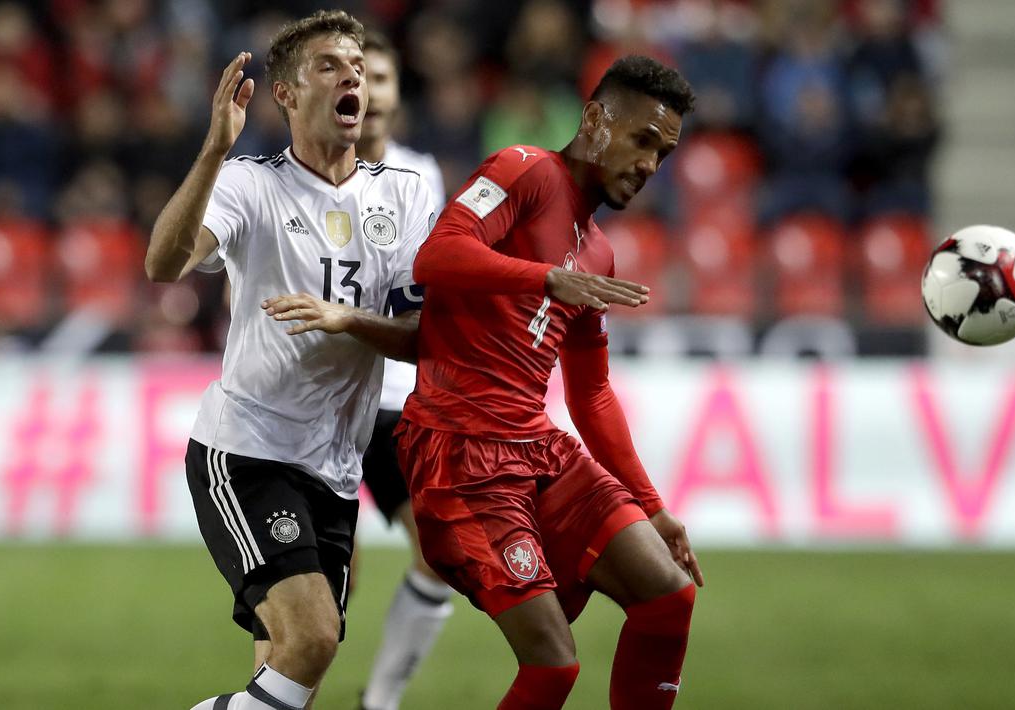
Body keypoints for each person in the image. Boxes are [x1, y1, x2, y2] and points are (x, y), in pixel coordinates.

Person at [143, 11, 434, 710]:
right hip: (248, 449)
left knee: (291, 674)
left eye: (357, 68)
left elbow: (422, 336)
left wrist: (347, 319)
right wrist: (213, 150)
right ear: (286, 93)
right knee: (313, 638)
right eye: (329, 66)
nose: (351, 78)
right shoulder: (249, 184)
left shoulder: (403, 193)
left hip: (334, 464)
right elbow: (163, 264)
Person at [397, 55, 704, 710]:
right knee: (553, 667)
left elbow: (591, 394)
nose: (651, 164)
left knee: (669, 594)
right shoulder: (524, 169)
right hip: (458, 452)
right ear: (594, 120)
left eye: (664, 153)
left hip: (533, 444)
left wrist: (652, 506)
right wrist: (545, 278)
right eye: (643, 140)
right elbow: (437, 254)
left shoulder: (597, 252)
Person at [352, 31, 451, 710]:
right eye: (358, 79)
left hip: (394, 400)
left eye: (381, 78)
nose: (369, 92)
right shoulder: (297, 171)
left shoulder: (422, 176)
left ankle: (378, 701)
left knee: (440, 551)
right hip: (321, 398)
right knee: (325, 582)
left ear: (396, 93)